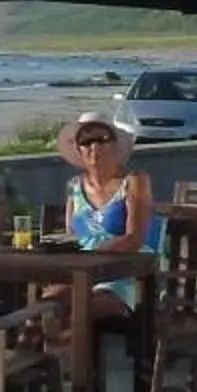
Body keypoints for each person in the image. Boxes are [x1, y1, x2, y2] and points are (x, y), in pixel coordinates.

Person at [60, 110, 161, 330]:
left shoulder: (134, 181)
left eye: (101, 140)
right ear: (78, 149)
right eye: (86, 141)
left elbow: (134, 238)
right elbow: (71, 237)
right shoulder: (74, 187)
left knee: (81, 312)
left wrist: (93, 259)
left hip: (124, 274)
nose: (93, 147)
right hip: (81, 273)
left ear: (115, 145)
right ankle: (37, 358)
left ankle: (73, 362)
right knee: (45, 307)